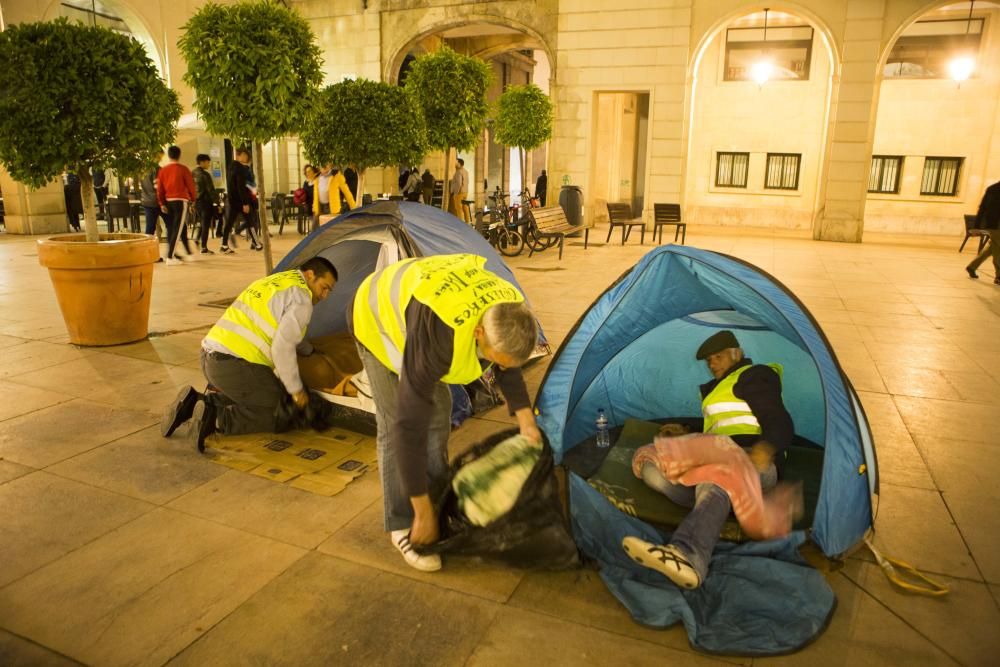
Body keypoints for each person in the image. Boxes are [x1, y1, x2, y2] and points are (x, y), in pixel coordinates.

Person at [351, 253, 542, 572]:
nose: (496, 367)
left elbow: (507, 364)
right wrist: (421, 514)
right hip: (377, 323)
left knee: (439, 415)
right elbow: (407, 429)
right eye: (494, 357)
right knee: (393, 425)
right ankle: (402, 523)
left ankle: (435, 498)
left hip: (421, 317)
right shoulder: (439, 338)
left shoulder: (510, 308)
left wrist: (526, 420)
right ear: (479, 333)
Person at [622, 330, 794, 589]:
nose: (712, 364)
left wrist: (766, 448)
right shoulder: (718, 389)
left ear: (736, 353)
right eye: (709, 361)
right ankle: (716, 503)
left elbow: (779, 419)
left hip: (753, 464)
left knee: (718, 471)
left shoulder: (754, 376)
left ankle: (689, 557)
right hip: (717, 461)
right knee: (652, 467)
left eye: (718, 357)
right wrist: (686, 431)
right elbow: (718, 431)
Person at [161, 256, 339, 451]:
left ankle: (194, 402)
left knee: (254, 397)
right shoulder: (302, 300)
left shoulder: (275, 282)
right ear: (310, 275)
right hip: (236, 365)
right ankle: (216, 420)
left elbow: (284, 331)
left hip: (210, 358)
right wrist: (296, 391)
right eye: (324, 287)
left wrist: (308, 350)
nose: (325, 296)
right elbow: (282, 347)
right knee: (280, 412)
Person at [156, 145, 197, 265]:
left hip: (168, 201)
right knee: (177, 229)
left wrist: (162, 203)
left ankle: (188, 253)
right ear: (179, 155)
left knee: (180, 227)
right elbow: (191, 186)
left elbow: (160, 189)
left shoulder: (163, 170)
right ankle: (170, 257)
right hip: (180, 201)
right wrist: (193, 199)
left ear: (169, 155)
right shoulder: (183, 169)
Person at [220, 146, 254, 255]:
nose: (246, 157)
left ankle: (224, 245)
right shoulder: (240, 169)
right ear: (240, 155)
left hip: (232, 200)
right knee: (250, 220)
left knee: (230, 223)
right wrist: (245, 202)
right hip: (240, 201)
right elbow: (242, 186)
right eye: (244, 155)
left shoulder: (231, 167)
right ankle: (256, 243)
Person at [966, 179, 1000, 285]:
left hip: (992, 224)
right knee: (998, 249)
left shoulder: (991, 188)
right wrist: (976, 226)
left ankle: (972, 266)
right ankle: (999, 276)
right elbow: (983, 207)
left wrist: (977, 225)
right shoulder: (993, 189)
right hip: (996, 225)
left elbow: (982, 207)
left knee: (992, 248)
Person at [192, 154, 217, 255]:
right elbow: (211, 190)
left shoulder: (192, 173)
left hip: (197, 202)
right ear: (202, 162)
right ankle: (204, 247)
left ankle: (198, 239)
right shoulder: (205, 175)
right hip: (206, 202)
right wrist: (216, 203)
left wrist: (192, 203)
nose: (209, 164)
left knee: (202, 222)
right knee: (206, 225)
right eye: (207, 162)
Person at [448, 158, 470, 222]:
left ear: (459, 164)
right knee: (465, 208)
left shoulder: (458, 172)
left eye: (456, 163)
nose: (455, 164)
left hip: (459, 193)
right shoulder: (466, 171)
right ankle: (467, 222)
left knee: (459, 208)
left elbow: (458, 183)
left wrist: (456, 192)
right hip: (465, 192)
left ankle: (461, 223)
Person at [301, 164, 320, 232]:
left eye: (310, 170)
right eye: (307, 172)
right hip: (308, 207)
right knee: (316, 225)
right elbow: (303, 193)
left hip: (316, 206)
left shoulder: (317, 180)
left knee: (314, 226)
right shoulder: (306, 183)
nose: (309, 173)